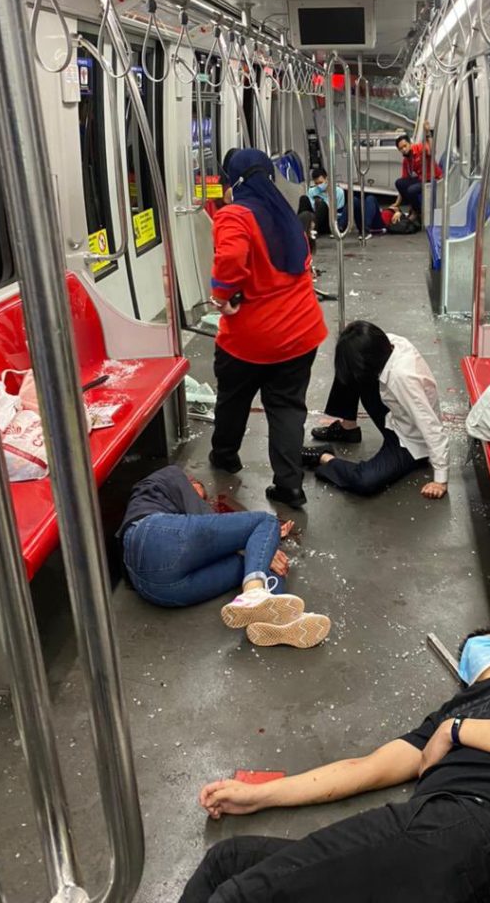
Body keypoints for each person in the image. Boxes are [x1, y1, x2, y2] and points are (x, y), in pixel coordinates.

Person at [180, 629, 490, 902]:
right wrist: (259, 796)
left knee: (240, 897)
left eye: (486, 640)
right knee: (228, 859)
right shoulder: (447, 713)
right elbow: (364, 768)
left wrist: (458, 730)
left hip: (465, 824)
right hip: (445, 858)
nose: (474, 649)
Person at [209, 148, 328, 509]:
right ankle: (290, 486)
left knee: (233, 398)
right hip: (302, 332)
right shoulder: (286, 214)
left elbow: (230, 259)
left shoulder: (235, 215)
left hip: (252, 338)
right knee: (288, 409)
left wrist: (222, 295)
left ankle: (226, 456)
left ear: (235, 181)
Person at [118, 466, 331, 647]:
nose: (201, 499)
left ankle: (279, 623)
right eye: (200, 494)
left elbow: (210, 537)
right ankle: (254, 593)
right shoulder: (171, 476)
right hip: (152, 536)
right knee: (265, 522)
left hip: (155, 590)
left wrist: (262, 546)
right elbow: (204, 518)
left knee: (260, 563)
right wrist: (265, 537)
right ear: (191, 481)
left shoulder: (173, 519)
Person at [302, 321, 449, 499]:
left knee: (366, 481)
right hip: (394, 413)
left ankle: (323, 457)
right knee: (349, 363)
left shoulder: (403, 379)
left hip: (409, 441)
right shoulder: (389, 343)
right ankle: (348, 429)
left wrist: (440, 480)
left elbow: (431, 426)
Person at [393, 123, 443, 227]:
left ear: (410, 144)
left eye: (405, 146)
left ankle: (418, 212)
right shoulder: (406, 161)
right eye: (400, 148)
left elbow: (432, 152)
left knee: (411, 190)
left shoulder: (420, 148)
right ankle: (416, 209)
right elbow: (404, 181)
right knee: (399, 183)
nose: (403, 149)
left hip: (433, 178)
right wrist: (397, 204)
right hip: (421, 179)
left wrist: (428, 133)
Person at [307, 166, 345, 236]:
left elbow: (340, 213)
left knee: (322, 205)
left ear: (326, 179)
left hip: (331, 222)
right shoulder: (311, 191)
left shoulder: (339, 192)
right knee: (304, 199)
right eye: (316, 183)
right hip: (315, 219)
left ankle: (311, 232)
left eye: (320, 182)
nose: (319, 186)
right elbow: (310, 210)